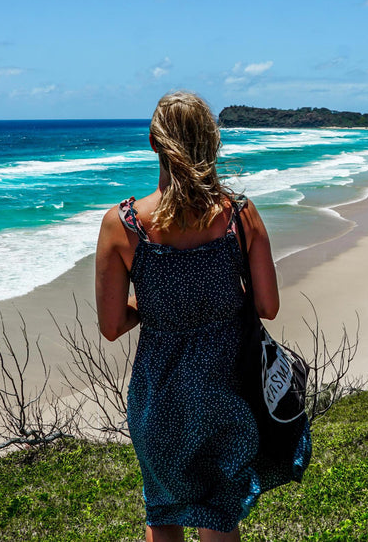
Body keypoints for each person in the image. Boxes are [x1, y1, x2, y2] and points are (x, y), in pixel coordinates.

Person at [95, 91, 311, 542]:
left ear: (154, 143)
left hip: (160, 395)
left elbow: (112, 326)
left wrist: (157, 305)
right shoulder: (239, 216)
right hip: (225, 389)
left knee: (164, 513)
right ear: (210, 143)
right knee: (218, 517)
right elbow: (268, 306)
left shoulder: (123, 224)